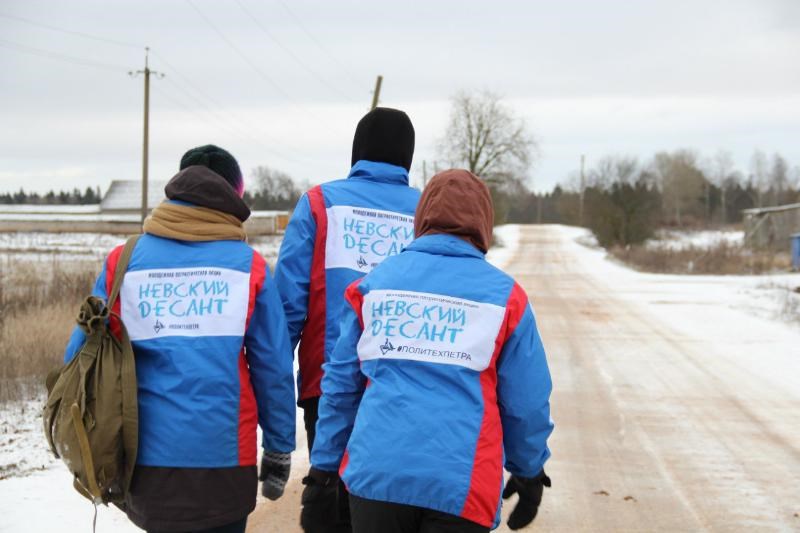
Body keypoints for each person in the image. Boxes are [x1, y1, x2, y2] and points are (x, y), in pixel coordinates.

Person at [302, 169, 554, 532]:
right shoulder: (506, 298)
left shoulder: (373, 286)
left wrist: (323, 472)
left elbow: (342, 387)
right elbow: (526, 402)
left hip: (377, 478)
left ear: (421, 218)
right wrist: (529, 469)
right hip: (461, 485)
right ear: (484, 222)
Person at [63, 145, 296, 533]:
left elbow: (79, 355)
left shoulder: (122, 261)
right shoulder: (247, 267)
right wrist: (278, 447)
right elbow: (272, 366)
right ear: (232, 198)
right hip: (225, 458)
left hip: (144, 461)